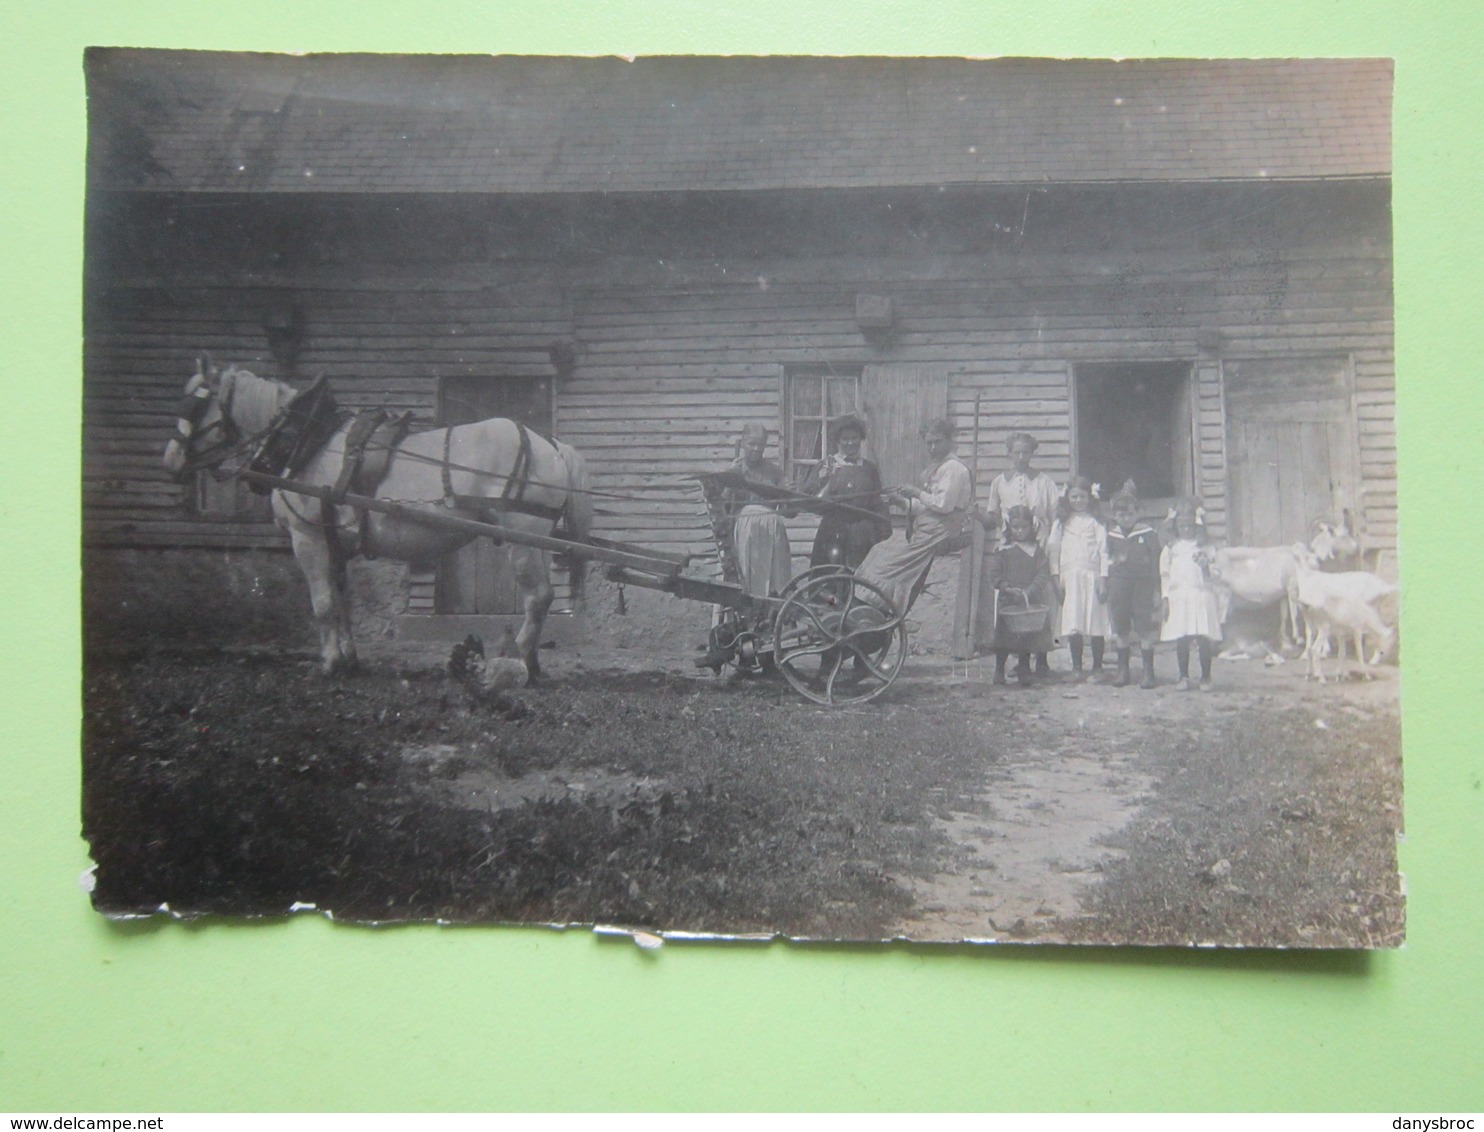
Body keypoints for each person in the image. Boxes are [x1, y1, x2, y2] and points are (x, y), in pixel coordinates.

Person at [855, 417, 973, 615]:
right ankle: (872, 607)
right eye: (929, 443)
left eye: (938, 442)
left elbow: (943, 505)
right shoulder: (939, 466)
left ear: (950, 440)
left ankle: (879, 605)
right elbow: (927, 507)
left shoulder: (954, 468)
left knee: (887, 560)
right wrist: (901, 502)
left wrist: (915, 492)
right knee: (879, 551)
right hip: (929, 527)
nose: (933, 447)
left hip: (941, 531)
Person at [984, 432, 1060, 675]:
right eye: (1015, 452)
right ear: (1008, 453)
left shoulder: (1044, 482)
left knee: (1040, 600)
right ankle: (1019, 659)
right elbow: (993, 515)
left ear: (1032, 453)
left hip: (1038, 545)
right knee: (1013, 605)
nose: (1020, 456)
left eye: (1025, 452)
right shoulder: (999, 482)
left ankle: (1042, 659)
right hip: (1010, 545)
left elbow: (1055, 515)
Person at [800, 414, 891, 570]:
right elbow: (808, 500)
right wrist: (824, 479)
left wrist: (883, 534)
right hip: (832, 532)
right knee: (830, 576)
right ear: (837, 440)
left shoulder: (869, 468)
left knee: (860, 578)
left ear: (861, 439)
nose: (850, 443)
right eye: (845, 438)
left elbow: (878, 504)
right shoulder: (826, 465)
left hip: (863, 534)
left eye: (854, 438)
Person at [1048, 476, 1110, 681]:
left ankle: (1098, 667)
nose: (1078, 501)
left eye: (1082, 496)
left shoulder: (1096, 521)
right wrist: (1056, 578)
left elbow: (1104, 551)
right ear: (1067, 498)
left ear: (1090, 497)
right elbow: (1053, 551)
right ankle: (1076, 667)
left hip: (1092, 576)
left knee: (1096, 623)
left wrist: (1103, 578)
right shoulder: (1061, 522)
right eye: (1073, 496)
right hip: (1070, 578)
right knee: (1074, 622)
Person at [721, 422, 794, 599]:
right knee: (748, 574)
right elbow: (724, 506)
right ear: (743, 442)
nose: (756, 449)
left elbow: (790, 513)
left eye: (760, 444)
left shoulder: (775, 472)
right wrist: (731, 478)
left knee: (776, 576)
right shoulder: (736, 470)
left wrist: (788, 494)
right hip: (746, 528)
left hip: (772, 528)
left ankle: (774, 610)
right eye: (751, 444)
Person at [987, 505, 1054, 688]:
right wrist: (1006, 587)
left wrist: (1031, 590)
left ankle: (1024, 670)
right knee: (1004, 637)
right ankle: (999, 670)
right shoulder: (1004, 550)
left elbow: (1042, 574)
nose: (1020, 531)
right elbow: (994, 575)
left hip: (1029, 599)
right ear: (1010, 528)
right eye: (1016, 527)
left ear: (1031, 527)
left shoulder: (1036, 551)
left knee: (1026, 636)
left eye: (1024, 527)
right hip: (1008, 599)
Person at [1161, 499, 1223, 691]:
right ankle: (1183, 676)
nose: (1186, 529)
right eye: (1182, 525)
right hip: (1179, 596)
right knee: (1182, 638)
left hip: (1201, 594)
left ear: (1197, 525)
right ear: (1175, 526)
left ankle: (1205, 677)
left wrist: (1206, 567)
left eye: (1190, 525)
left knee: (1203, 636)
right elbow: (1164, 575)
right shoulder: (1171, 548)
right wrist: (1165, 598)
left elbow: (1217, 573)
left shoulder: (1205, 547)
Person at [1105, 487, 1162, 688]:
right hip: (1119, 586)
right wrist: (1107, 583)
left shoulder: (1148, 534)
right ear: (1114, 515)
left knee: (1145, 627)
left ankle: (1148, 671)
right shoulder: (1111, 536)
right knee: (1121, 628)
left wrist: (1157, 589)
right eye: (1121, 514)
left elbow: (1156, 563)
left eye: (1130, 514)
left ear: (1138, 513)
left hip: (1143, 586)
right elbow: (1106, 561)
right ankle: (1123, 671)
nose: (1126, 518)